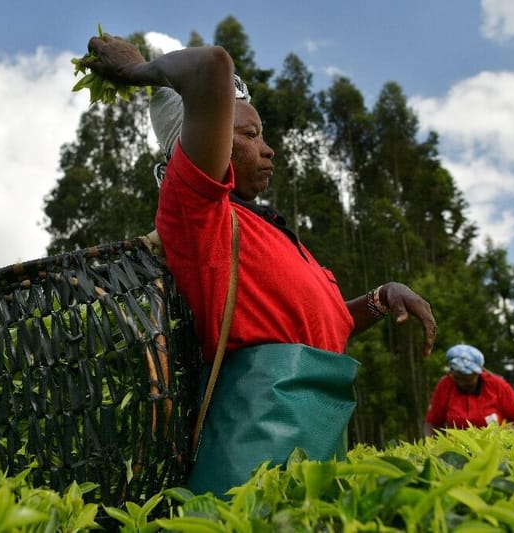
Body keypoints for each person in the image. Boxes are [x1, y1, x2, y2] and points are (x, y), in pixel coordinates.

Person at [83, 35, 438, 497]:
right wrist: (138, 71)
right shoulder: (199, 210)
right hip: (256, 446)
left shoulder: (270, 232)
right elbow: (212, 66)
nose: (268, 149)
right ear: (201, 142)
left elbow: (319, 330)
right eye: (248, 135)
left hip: (317, 434)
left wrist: (380, 298)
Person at [424, 344, 514, 436]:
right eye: (457, 378)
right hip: (457, 450)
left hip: (496, 448)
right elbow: (432, 422)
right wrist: (431, 446)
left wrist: (502, 437)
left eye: (467, 378)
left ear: (478, 372)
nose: (462, 383)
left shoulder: (496, 384)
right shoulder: (445, 384)